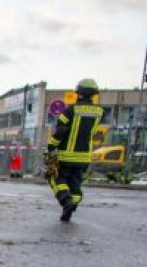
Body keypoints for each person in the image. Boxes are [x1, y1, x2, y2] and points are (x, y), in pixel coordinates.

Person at [46, 78, 104, 221]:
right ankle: (72, 204)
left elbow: (61, 131)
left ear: (79, 93)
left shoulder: (70, 110)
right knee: (75, 184)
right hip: (84, 157)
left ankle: (66, 201)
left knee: (56, 178)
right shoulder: (99, 112)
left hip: (67, 155)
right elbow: (93, 131)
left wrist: (51, 146)